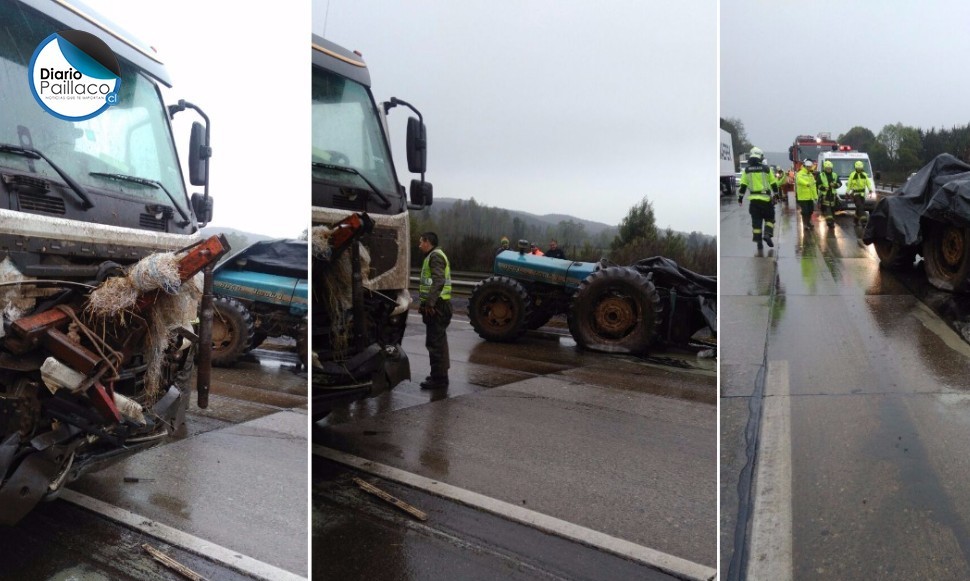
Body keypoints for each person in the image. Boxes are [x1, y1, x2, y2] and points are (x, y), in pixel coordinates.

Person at [417, 232, 452, 389]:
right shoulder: (435, 255)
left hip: (437, 306)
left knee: (435, 343)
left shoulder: (435, 256)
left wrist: (430, 304)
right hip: (440, 305)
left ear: (428, 242)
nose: (419, 245)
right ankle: (440, 375)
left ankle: (438, 379)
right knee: (439, 342)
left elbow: (438, 280)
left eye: (421, 242)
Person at [737, 146, 781, 250]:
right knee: (770, 218)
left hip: (754, 202)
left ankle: (758, 243)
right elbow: (774, 183)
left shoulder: (747, 170)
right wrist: (777, 195)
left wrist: (740, 198)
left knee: (756, 223)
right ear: (760, 157)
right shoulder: (766, 169)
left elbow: (743, 186)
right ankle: (767, 234)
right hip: (765, 200)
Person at [846, 160, 874, 225]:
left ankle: (855, 220)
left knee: (860, 208)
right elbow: (849, 184)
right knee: (860, 206)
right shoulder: (852, 175)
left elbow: (868, 183)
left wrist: (870, 190)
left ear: (862, 168)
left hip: (862, 194)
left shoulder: (864, 175)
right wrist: (847, 192)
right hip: (855, 194)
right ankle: (863, 219)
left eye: (860, 168)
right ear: (856, 168)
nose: (859, 169)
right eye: (858, 168)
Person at [817, 160, 842, 227]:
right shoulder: (821, 175)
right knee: (828, 209)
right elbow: (818, 185)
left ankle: (831, 221)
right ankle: (830, 222)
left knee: (833, 210)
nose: (828, 169)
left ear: (831, 168)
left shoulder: (835, 175)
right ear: (824, 168)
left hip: (833, 196)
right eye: (827, 168)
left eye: (829, 168)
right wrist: (824, 188)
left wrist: (835, 185)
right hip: (825, 195)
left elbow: (840, 184)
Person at [796, 159, 819, 230]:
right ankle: (805, 224)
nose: (809, 168)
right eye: (808, 167)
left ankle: (808, 222)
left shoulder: (811, 175)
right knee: (805, 211)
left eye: (810, 167)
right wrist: (806, 183)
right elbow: (799, 180)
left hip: (810, 197)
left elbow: (813, 186)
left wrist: (815, 196)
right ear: (805, 166)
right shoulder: (800, 173)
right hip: (802, 197)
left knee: (811, 210)